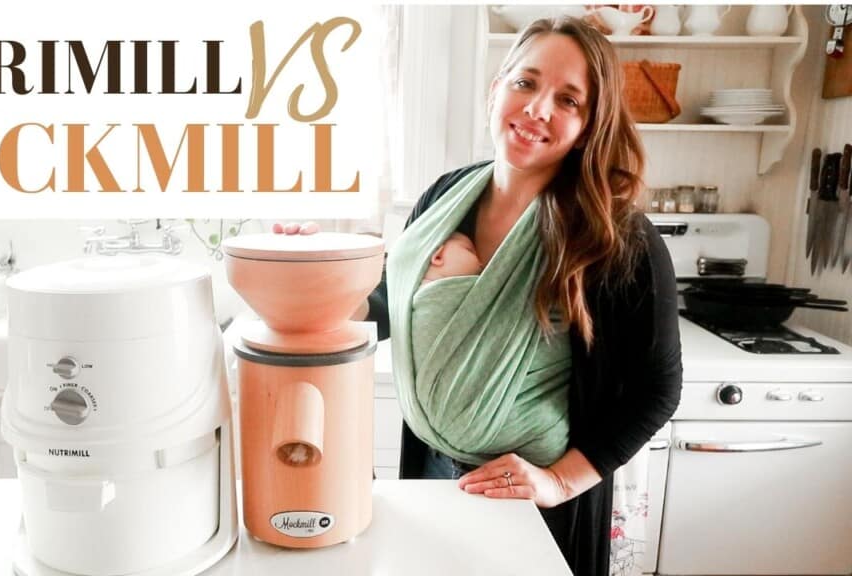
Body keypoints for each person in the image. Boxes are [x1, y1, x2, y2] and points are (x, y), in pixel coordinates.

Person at [282, 16, 682, 575]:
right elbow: (397, 306)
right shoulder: (446, 197)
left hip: (537, 498)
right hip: (432, 474)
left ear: (592, 124)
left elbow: (655, 390)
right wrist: (314, 270)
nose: (538, 109)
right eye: (525, 83)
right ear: (496, 88)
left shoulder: (615, 236)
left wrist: (558, 481)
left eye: (568, 100)